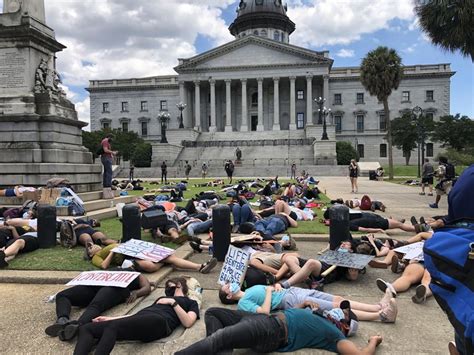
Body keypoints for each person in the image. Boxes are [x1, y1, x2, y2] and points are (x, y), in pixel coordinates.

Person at [73, 277, 200, 355]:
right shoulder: (161, 298)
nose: (167, 289)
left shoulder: (190, 302)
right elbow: (137, 316)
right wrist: (111, 318)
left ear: (179, 285)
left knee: (113, 327)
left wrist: (173, 303)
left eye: (170, 286)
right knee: (87, 328)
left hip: (159, 322)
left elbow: (188, 322)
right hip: (142, 321)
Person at [45, 270, 153, 341]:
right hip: (95, 285)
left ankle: (77, 326)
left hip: (116, 288)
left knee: (95, 305)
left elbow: (147, 287)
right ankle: (62, 320)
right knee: (62, 295)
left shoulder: (136, 274)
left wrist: (136, 293)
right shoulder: (109, 268)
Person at [219, 283, 397, 322]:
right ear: (228, 296)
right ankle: (380, 316)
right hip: (290, 300)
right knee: (336, 307)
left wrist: (274, 285)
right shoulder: (242, 304)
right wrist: (268, 291)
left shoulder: (247, 288)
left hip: (293, 291)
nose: (230, 283)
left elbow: (270, 289)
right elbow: (265, 312)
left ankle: (377, 306)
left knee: (337, 299)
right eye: (227, 286)